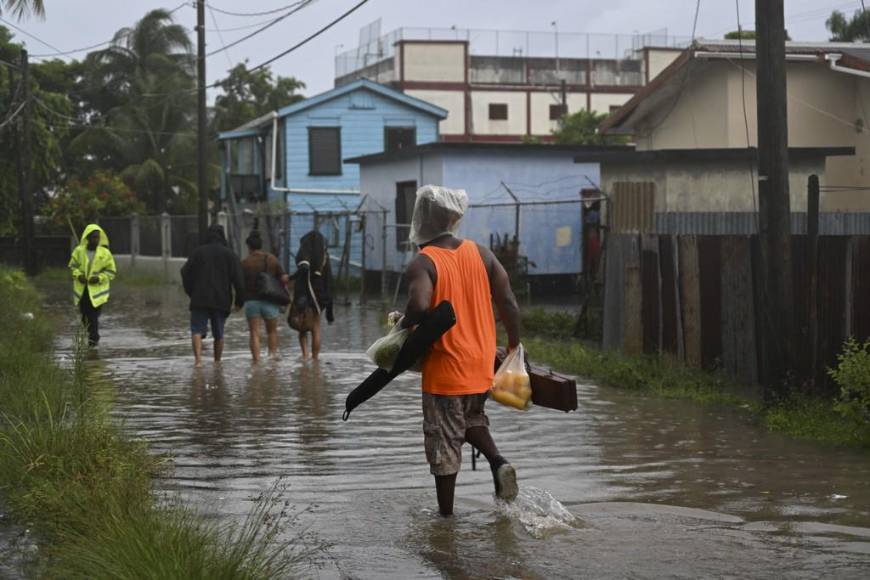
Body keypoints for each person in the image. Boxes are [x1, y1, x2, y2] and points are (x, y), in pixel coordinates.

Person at [399, 185, 521, 517]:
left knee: (444, 443)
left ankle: (446, 521)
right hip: (482, 363)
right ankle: (499, 462)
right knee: (470, 419)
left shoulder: (423, 262)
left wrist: (402, 325)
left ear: (421, 219)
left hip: (445, 366)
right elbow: (508, 301)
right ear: (453, 218)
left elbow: (421, 305)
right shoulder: (482, 254)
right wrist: (513, 344)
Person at [180, 224, 245, 367]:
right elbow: (239, 280)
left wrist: (191, 292)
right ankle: (217, 361)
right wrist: (240, 301)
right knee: (219, 333)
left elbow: (185, 273)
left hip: (199, 299)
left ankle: (198, 361)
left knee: (196, 330)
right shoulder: (230, 255)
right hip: (221, 300)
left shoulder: (197, 253)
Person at [240, 230, 288, 362]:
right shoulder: (272, 259)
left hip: (251, 302)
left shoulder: (245, 262)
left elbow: (240, 284)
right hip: (270, 301)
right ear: (261, 245)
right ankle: (272, 360)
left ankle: (256, 362)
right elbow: (283, 278)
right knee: (271, 332)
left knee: (254, 333)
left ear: (249, 247)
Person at [287, 230, 334, 360]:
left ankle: (304, 357)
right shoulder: (324, 256)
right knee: (316, 327)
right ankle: (315, 360)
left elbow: (303, 269)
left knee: (302, 327)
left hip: (304, 293)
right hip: (320, 296)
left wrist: (291, 278)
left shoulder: (304, 254)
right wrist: (329, 303)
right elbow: (329, 279)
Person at [69, 224, 116, 347]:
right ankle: (92, 336)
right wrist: (79, 275)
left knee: (93, 316)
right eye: (94, 237)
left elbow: (111, 271)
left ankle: (93, 340)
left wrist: (99, 278)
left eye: (98, 237)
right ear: (88, 238)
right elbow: (73, 267)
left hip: (97, 292)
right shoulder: (79, 251)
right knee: (84, 316)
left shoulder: (105, 253)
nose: (96, 240)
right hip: (83, 290)